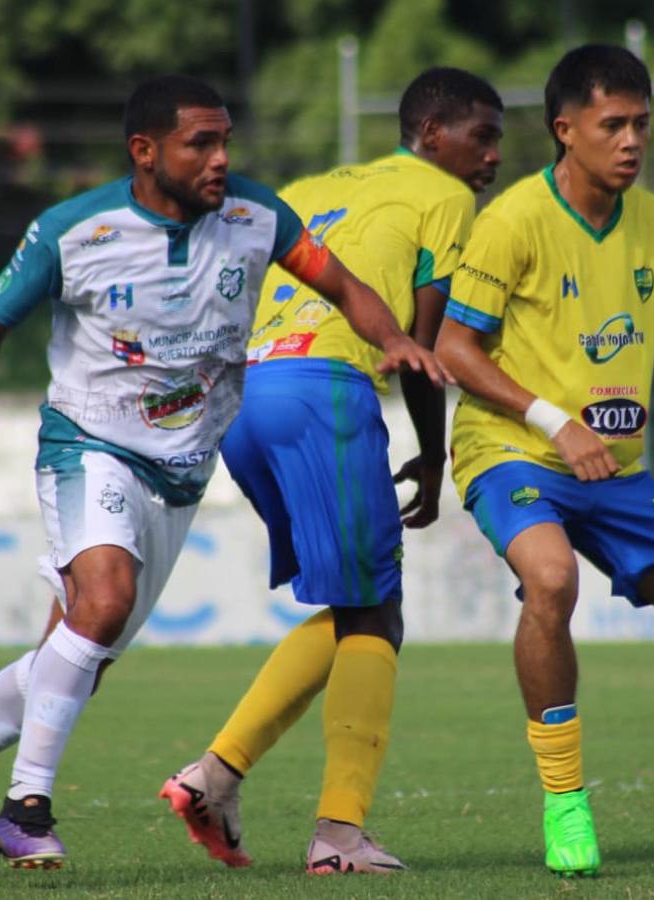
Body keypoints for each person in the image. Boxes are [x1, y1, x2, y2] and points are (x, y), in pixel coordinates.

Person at [0, 73, 447, 878]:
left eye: (225, 141)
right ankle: (26, 807)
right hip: (87, 447)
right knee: (102, 605)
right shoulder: (73, 231)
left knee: (74, 663)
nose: (221, 159)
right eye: (200, 144)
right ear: (144, 152)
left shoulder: (257, 217)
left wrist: (390, 337)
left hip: (179, 476)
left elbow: (346, 286)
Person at [433, 45, 654, 877]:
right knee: (552, 580)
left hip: (615, 470)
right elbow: (454, 346)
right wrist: (556, 421)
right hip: (511, 451)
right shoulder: (513, 219)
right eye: (613, 125)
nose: (632, 141)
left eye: (642, 124)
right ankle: (566, 811)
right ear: (565, 131)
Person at [158, 67, 503, 874]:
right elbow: (419, 345)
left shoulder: (310, 186)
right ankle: (338, 836)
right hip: (321, 393)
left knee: (358, 607)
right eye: (481, 136)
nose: (491, 156)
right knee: (378, 614)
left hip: (243, 398)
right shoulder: (446, 198)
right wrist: (433, 448)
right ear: (431, 136)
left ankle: (213, 777)